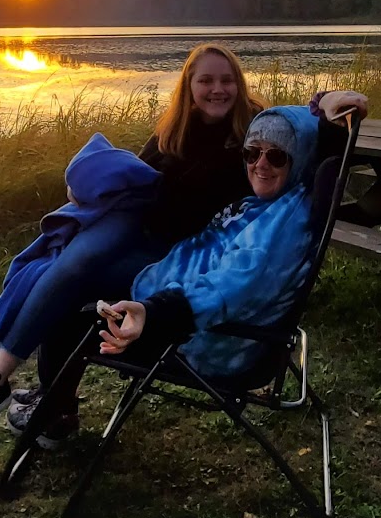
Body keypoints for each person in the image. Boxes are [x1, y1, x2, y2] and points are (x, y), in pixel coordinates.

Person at [0, 44, 363, 466]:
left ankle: (3, 400)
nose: (217, 90)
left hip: (175, 261)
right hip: (145, 238)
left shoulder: (257, 132)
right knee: (57, 269)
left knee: (72, 284)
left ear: (239, 87)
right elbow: (136, 181)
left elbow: (309, 138)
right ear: (190, 87)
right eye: (206, 81)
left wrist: (327, 103)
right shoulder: (172, 132)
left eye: (226, 80)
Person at [94, 103, 329, 384]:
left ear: (301, 158)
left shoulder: (282, 227)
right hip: (169, 297)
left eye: (277, 156)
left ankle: (53, 411)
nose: (260, 164)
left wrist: (154, 313)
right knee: (84, 273)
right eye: (252, 152)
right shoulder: (270, 202)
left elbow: (229, 287)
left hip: (199, 341)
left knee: (69, 315)